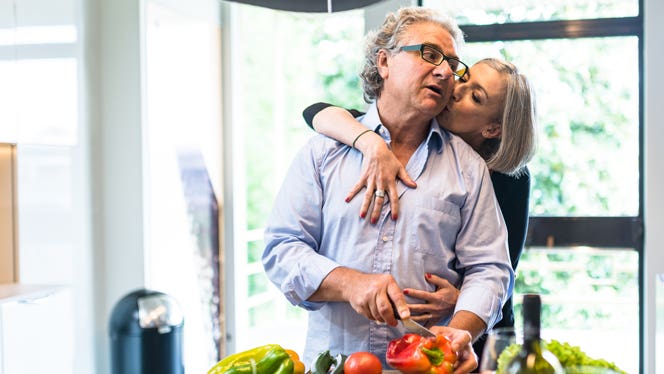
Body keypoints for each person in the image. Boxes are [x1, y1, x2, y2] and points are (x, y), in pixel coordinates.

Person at [263, 7, 514, 373]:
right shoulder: (324, 152)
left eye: (453, 65)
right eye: (430, 55)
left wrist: (459, 333)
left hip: (429, 366)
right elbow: (280, 249)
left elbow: (490, 269)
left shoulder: (469, 168)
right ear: (384, 61)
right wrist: (349, 284)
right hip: (335, 364)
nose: (445, 71)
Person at [301, 57, 536, 364]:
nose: (456, 91)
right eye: (463, 80)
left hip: (477, 338)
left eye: (475, 97)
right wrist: (371, 143)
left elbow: (499, 267)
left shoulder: (507, 180)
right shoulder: (388, 135)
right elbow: (315, 112)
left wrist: (460, 301)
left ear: (492, 128)